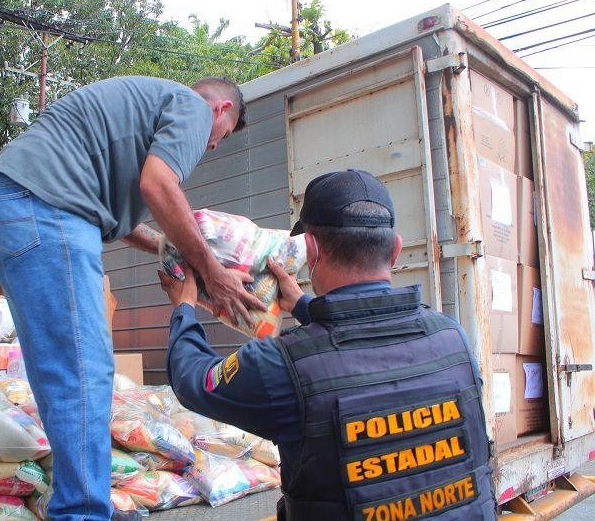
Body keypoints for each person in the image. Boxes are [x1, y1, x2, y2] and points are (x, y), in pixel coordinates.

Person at [0, 76, 266, 521]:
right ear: (220, 109)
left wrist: (169, 249)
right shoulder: (191, 107)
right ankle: (83, 512)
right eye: (220, 138)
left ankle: (77, 502)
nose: (210, 148)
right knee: (83, 369)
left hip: (11, 205)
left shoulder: (143, 112)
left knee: (62, 369)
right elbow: (159, 185)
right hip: (44, 209)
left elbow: (120, 217)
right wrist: (211, 270)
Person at [159, 169, 496, 520]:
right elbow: (365, 349)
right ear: (395, 251)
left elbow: (192, 381)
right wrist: (303, 305)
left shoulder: (284, 364)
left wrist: (184, 303)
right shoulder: (453, 338)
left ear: (312, 252)